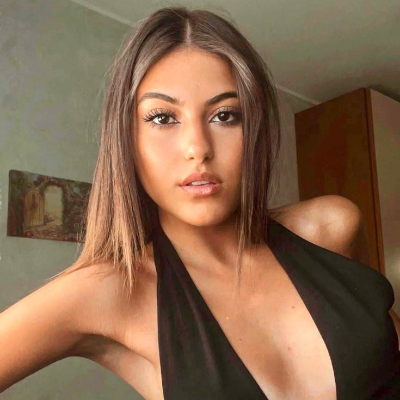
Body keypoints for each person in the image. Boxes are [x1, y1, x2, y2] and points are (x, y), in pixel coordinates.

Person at [1, 6, 399, 400]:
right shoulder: (111, 293)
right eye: (162, 118)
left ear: (254, 130)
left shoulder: (330, 227)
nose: (198, 148)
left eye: (225, 115)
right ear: (125, 139)